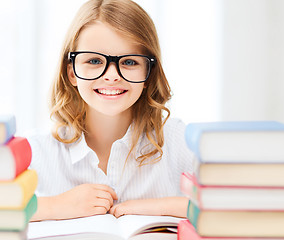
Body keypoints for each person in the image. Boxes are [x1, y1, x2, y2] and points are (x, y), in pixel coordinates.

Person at [28, 0, 195, 221]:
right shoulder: (40, 151)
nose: (112, 76)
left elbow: (233, 205)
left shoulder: (178, 141)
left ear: (149, 74)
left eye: (129, 62)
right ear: (72, 73)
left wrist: (157, 206)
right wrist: (54, 206)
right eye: (95, 60)